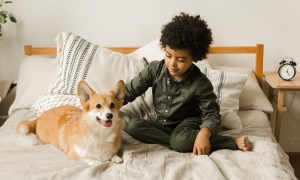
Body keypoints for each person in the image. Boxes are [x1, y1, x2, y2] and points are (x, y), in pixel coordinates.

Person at [123, 12, 250, 155]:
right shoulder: (154, 70)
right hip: (163, 125)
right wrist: (103, 106)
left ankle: (229, 141)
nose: (172, 64)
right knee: (132, 126)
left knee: (180, 140)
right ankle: (179, 143)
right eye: (168, 56)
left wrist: (204, 134)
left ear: (194, 58)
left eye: (181, 60)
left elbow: (212, 114)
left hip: (189, 124)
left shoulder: (200, 83)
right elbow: (128, 92)